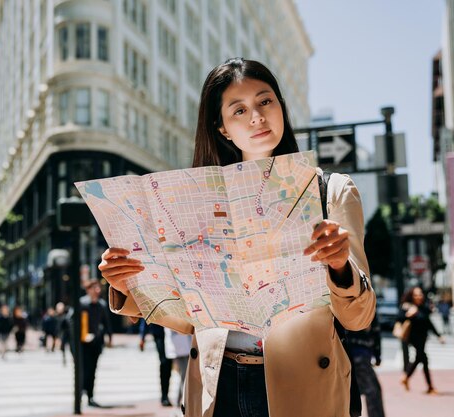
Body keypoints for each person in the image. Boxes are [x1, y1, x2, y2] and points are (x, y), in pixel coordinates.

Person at [98, 58, 376, 417]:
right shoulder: (197, 203)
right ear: (223, 128)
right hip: (217, 382)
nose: (257, 117)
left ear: (281, 107)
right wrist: (126, 283)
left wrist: (339, 266)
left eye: (265, 102)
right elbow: (187, 317)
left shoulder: (329, 190)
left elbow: (359, 317)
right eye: (239, 110)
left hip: (301, 383)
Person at [399, 287, 445, 394]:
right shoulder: (407, 307)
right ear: (411, 296)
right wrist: (408, 315)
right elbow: (399, 319)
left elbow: (429, 324)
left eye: (420, 294)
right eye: (416, 295)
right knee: (423, 358)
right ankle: (430, 386)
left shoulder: (423, 308)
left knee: (420, 358)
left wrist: (439, 335)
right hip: (413, 338)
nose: (419, 297)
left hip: (423, 338)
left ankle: (406, 377)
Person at [76, 278, 113, 407]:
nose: (97, 290)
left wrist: (109, 337)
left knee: (93, 369)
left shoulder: (101, 305)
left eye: (98, 288)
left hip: (96, 342)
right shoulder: (81, 303)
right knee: (83, 369)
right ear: (88, 290)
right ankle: (80, 394)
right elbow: (72, 321)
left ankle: (90, 396)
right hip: (82, 343)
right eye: (94, 288)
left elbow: (106, 322)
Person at [347, 318, 385, 417]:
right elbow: (376, 332)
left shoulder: (342, 304)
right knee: (373, 391)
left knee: (351, 391)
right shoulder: (368, 305)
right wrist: (377, 355)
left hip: (346, 352)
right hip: (360, 354)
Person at [139, 320, 173, 406]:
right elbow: (146, 316)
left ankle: (168, 395)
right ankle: (164, 396)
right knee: (164, 362)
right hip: (159, 334)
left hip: (173, 333)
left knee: (169, 364)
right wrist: (142, 337)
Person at [165, 327, 193, 407]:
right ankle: (183, 401)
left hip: (186, 348)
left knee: (184, 376)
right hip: (178, 349)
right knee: (184, 375)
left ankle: (179, 400)